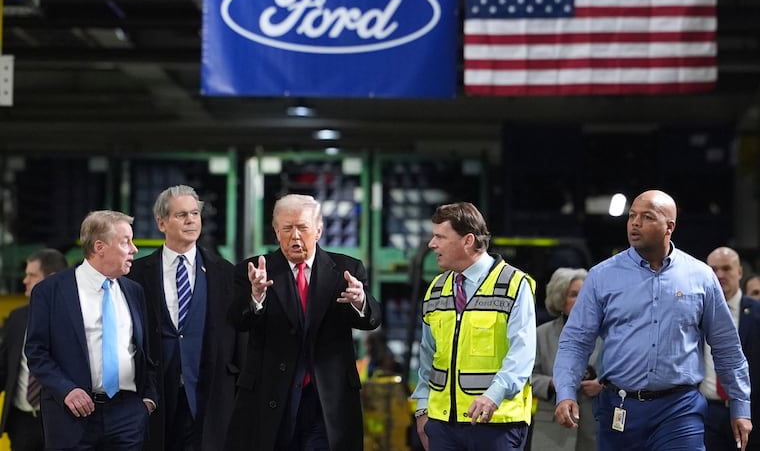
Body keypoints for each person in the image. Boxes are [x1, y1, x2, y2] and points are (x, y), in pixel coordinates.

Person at [553, 190, 753, 451]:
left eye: (647, 217)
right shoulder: (601, 277)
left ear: (669, 226)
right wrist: (566, 392)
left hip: (680, 409)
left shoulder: (701, 277)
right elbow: (575, 342)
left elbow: (727, 347)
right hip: (619, 408)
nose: (635, 223)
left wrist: (740, 405)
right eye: (632, 216)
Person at [225, 193, 382, 451]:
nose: (295, 236)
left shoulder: (346, 269)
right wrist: (256, 296)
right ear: (276, 231)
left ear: (318, 230)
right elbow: (237, 320)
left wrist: (359, 300)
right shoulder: (253, 271)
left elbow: (371, 319)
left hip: (327, 400)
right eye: (287, 228)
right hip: (270, 396)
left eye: (302, 228)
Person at [25, 210, 157, 450]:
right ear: (99, 247)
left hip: (128, 414)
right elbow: (36, 352)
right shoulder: (50, 291)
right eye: (126, 241)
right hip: (72, 416)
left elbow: (147, 351)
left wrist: (148, 400)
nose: (134, 249)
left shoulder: (134, 291)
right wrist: (66, 390)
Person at [411, 202, 537, 451]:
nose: (431, 244)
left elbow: (522, 353)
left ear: (468, 240)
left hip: (496, 423)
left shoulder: (513, 284)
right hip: (442, 423)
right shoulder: (436, 289)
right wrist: (423, 408)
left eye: (439, 236)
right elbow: (428, 356)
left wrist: (494, 395)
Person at [128, 185, 245, 451]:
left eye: (195, 214)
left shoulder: (225, 273)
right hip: (156, 398)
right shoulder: (136, 275)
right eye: (182, 215)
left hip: (209, 395)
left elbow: (239, 336)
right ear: (161, 223)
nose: (191, 220)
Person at [0, 248, 68, 451]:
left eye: (31, 275)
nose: (24, 280)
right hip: (21, 422)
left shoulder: (75, 318)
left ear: (51, 279)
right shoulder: (17, 318)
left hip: (60, 421)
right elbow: (4, 367)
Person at [531, 267, 601, 451]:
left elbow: (624, 373)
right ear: (560, 299)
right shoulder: (540, 334)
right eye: (573, 295)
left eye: (583, 294)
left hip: (595, 427)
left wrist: (602, 384)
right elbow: (525, 377)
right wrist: (553, 383)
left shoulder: (606, 334)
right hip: (551, 431)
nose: (580, 300)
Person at [703, 247, 760, 451]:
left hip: (752, 413)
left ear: (739, 272)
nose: (719, 275)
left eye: (726, 268)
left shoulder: (756, 313)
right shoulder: (695, 313)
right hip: (706, 413)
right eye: (713, 269)